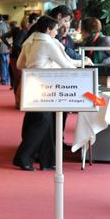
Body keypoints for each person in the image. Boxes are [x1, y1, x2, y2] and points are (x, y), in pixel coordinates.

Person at [12, 15, 88, 170]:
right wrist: (83, 65)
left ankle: (47, 160)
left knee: (43, 122)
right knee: (42, 122)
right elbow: (66, 65)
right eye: (55, 29)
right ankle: (23, 157)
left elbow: (20, 65)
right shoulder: (48, 43)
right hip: (45, 87)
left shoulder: (29, 41)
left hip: (30, 85)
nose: (56, 33)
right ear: (48, 29)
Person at [0, 14, 12, 85]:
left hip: (1, 49)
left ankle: (3, 80)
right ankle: (7, 80)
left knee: (2, 65)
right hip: (6, 47)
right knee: (6, 64)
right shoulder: (6, 25)